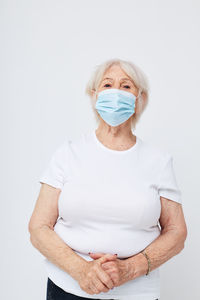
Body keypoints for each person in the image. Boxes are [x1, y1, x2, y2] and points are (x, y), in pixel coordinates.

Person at [28, 58, 187, 300]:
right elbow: (38, 227)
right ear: (94, 95)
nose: (116, 92)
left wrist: (129, 269)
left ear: (139, 99)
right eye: (107, 85)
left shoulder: (159, 161)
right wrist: (81, 270)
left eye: (126, 86)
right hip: (68, 289)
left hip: (138, 293)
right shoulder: (68, 153)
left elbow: (176, 232)